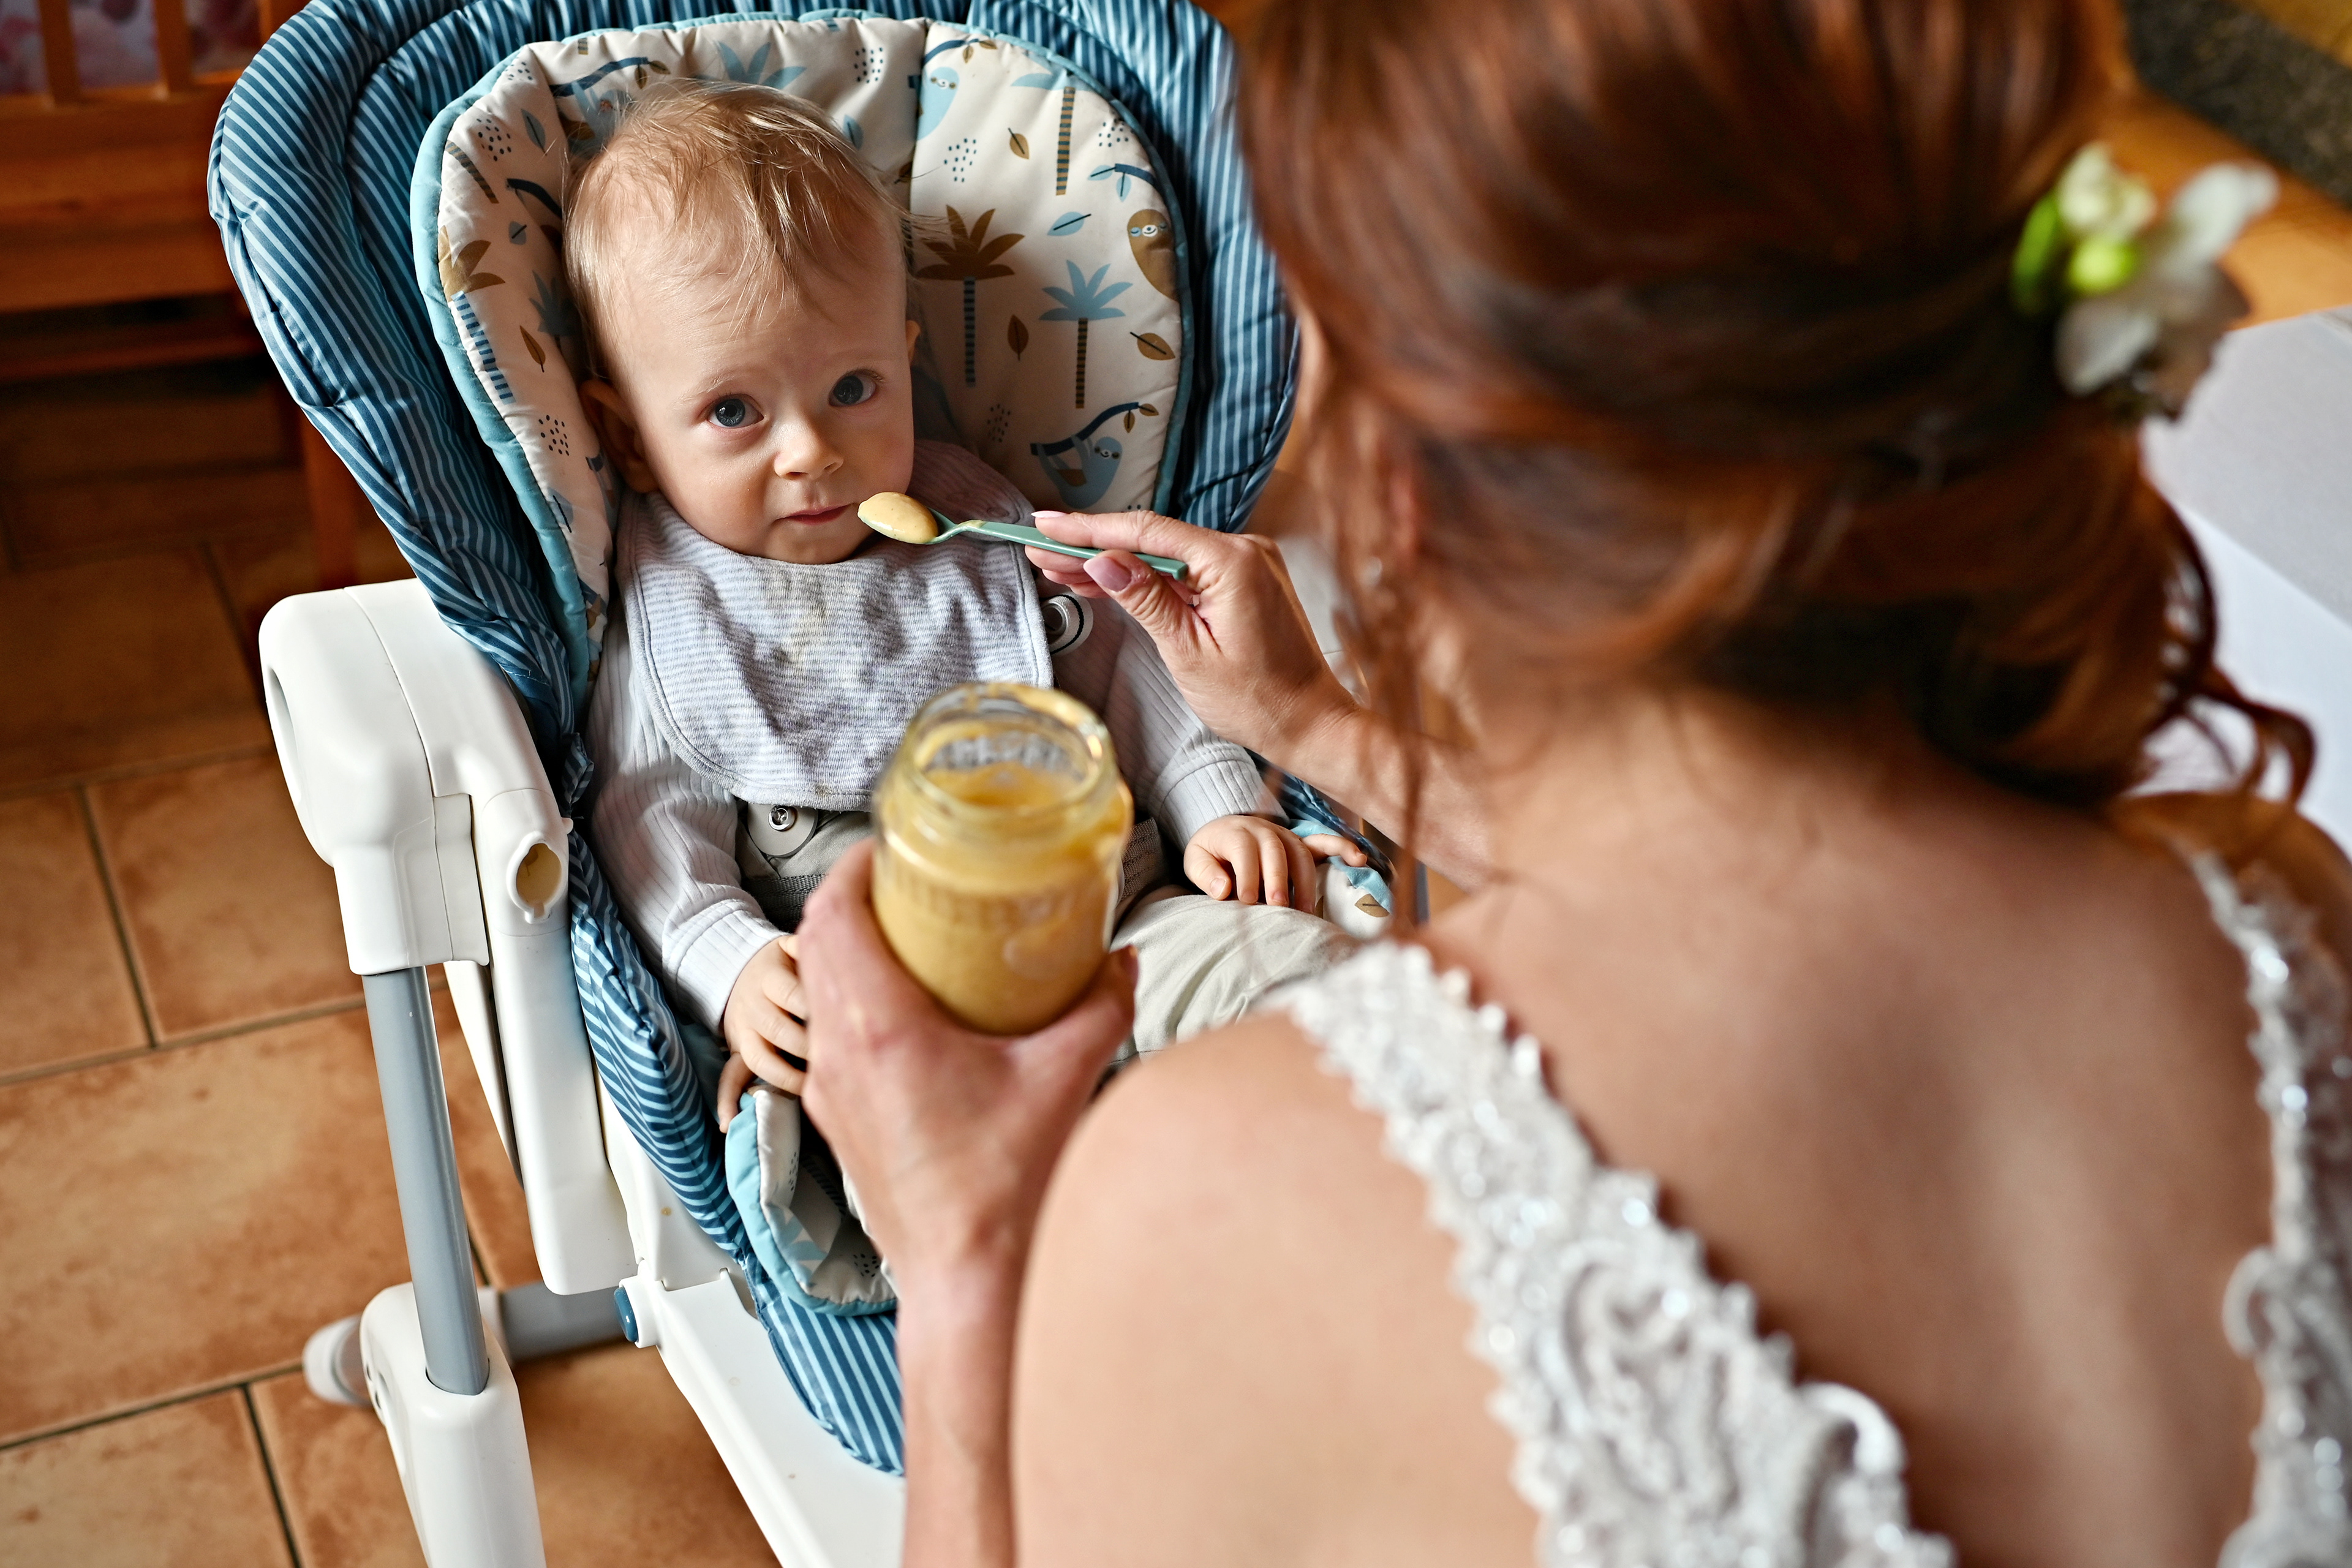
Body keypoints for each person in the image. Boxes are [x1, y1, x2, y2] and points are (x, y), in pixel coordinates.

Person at [790, 0, 2352, 1563]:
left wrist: (964, 1260)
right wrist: (1315, 726)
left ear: (1399, 478)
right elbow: (1730, 872)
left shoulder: (1216, 1193)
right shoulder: (2276, 923)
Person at [567, 83, 1356, 1301]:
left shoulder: (968, 514)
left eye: (854, 388)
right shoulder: (672, 596)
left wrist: (1217, 801)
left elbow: (1123, 654)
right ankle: (1022, 1247)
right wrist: (733, 962)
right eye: (733, 411)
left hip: (1110, 926)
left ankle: (1270, 1162)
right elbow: (645, 818)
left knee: (1303, 979)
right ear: (627, 439)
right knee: (844, 1102)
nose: (812, 451)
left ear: (906, 358)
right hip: (896, 1011)